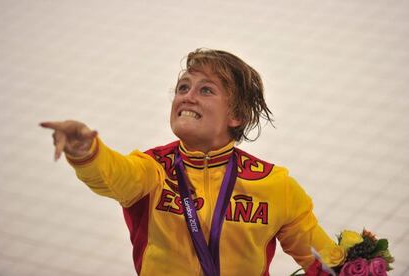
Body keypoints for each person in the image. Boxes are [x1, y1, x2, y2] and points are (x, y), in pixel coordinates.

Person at [41, 49, 335, 276]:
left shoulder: (274, 185)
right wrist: (85, 150)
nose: (188, 97)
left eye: (206, 90)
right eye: (183, 88)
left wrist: (359, 263)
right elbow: (111, 174)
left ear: (237, 116)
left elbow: (325, 261)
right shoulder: (153, 169)